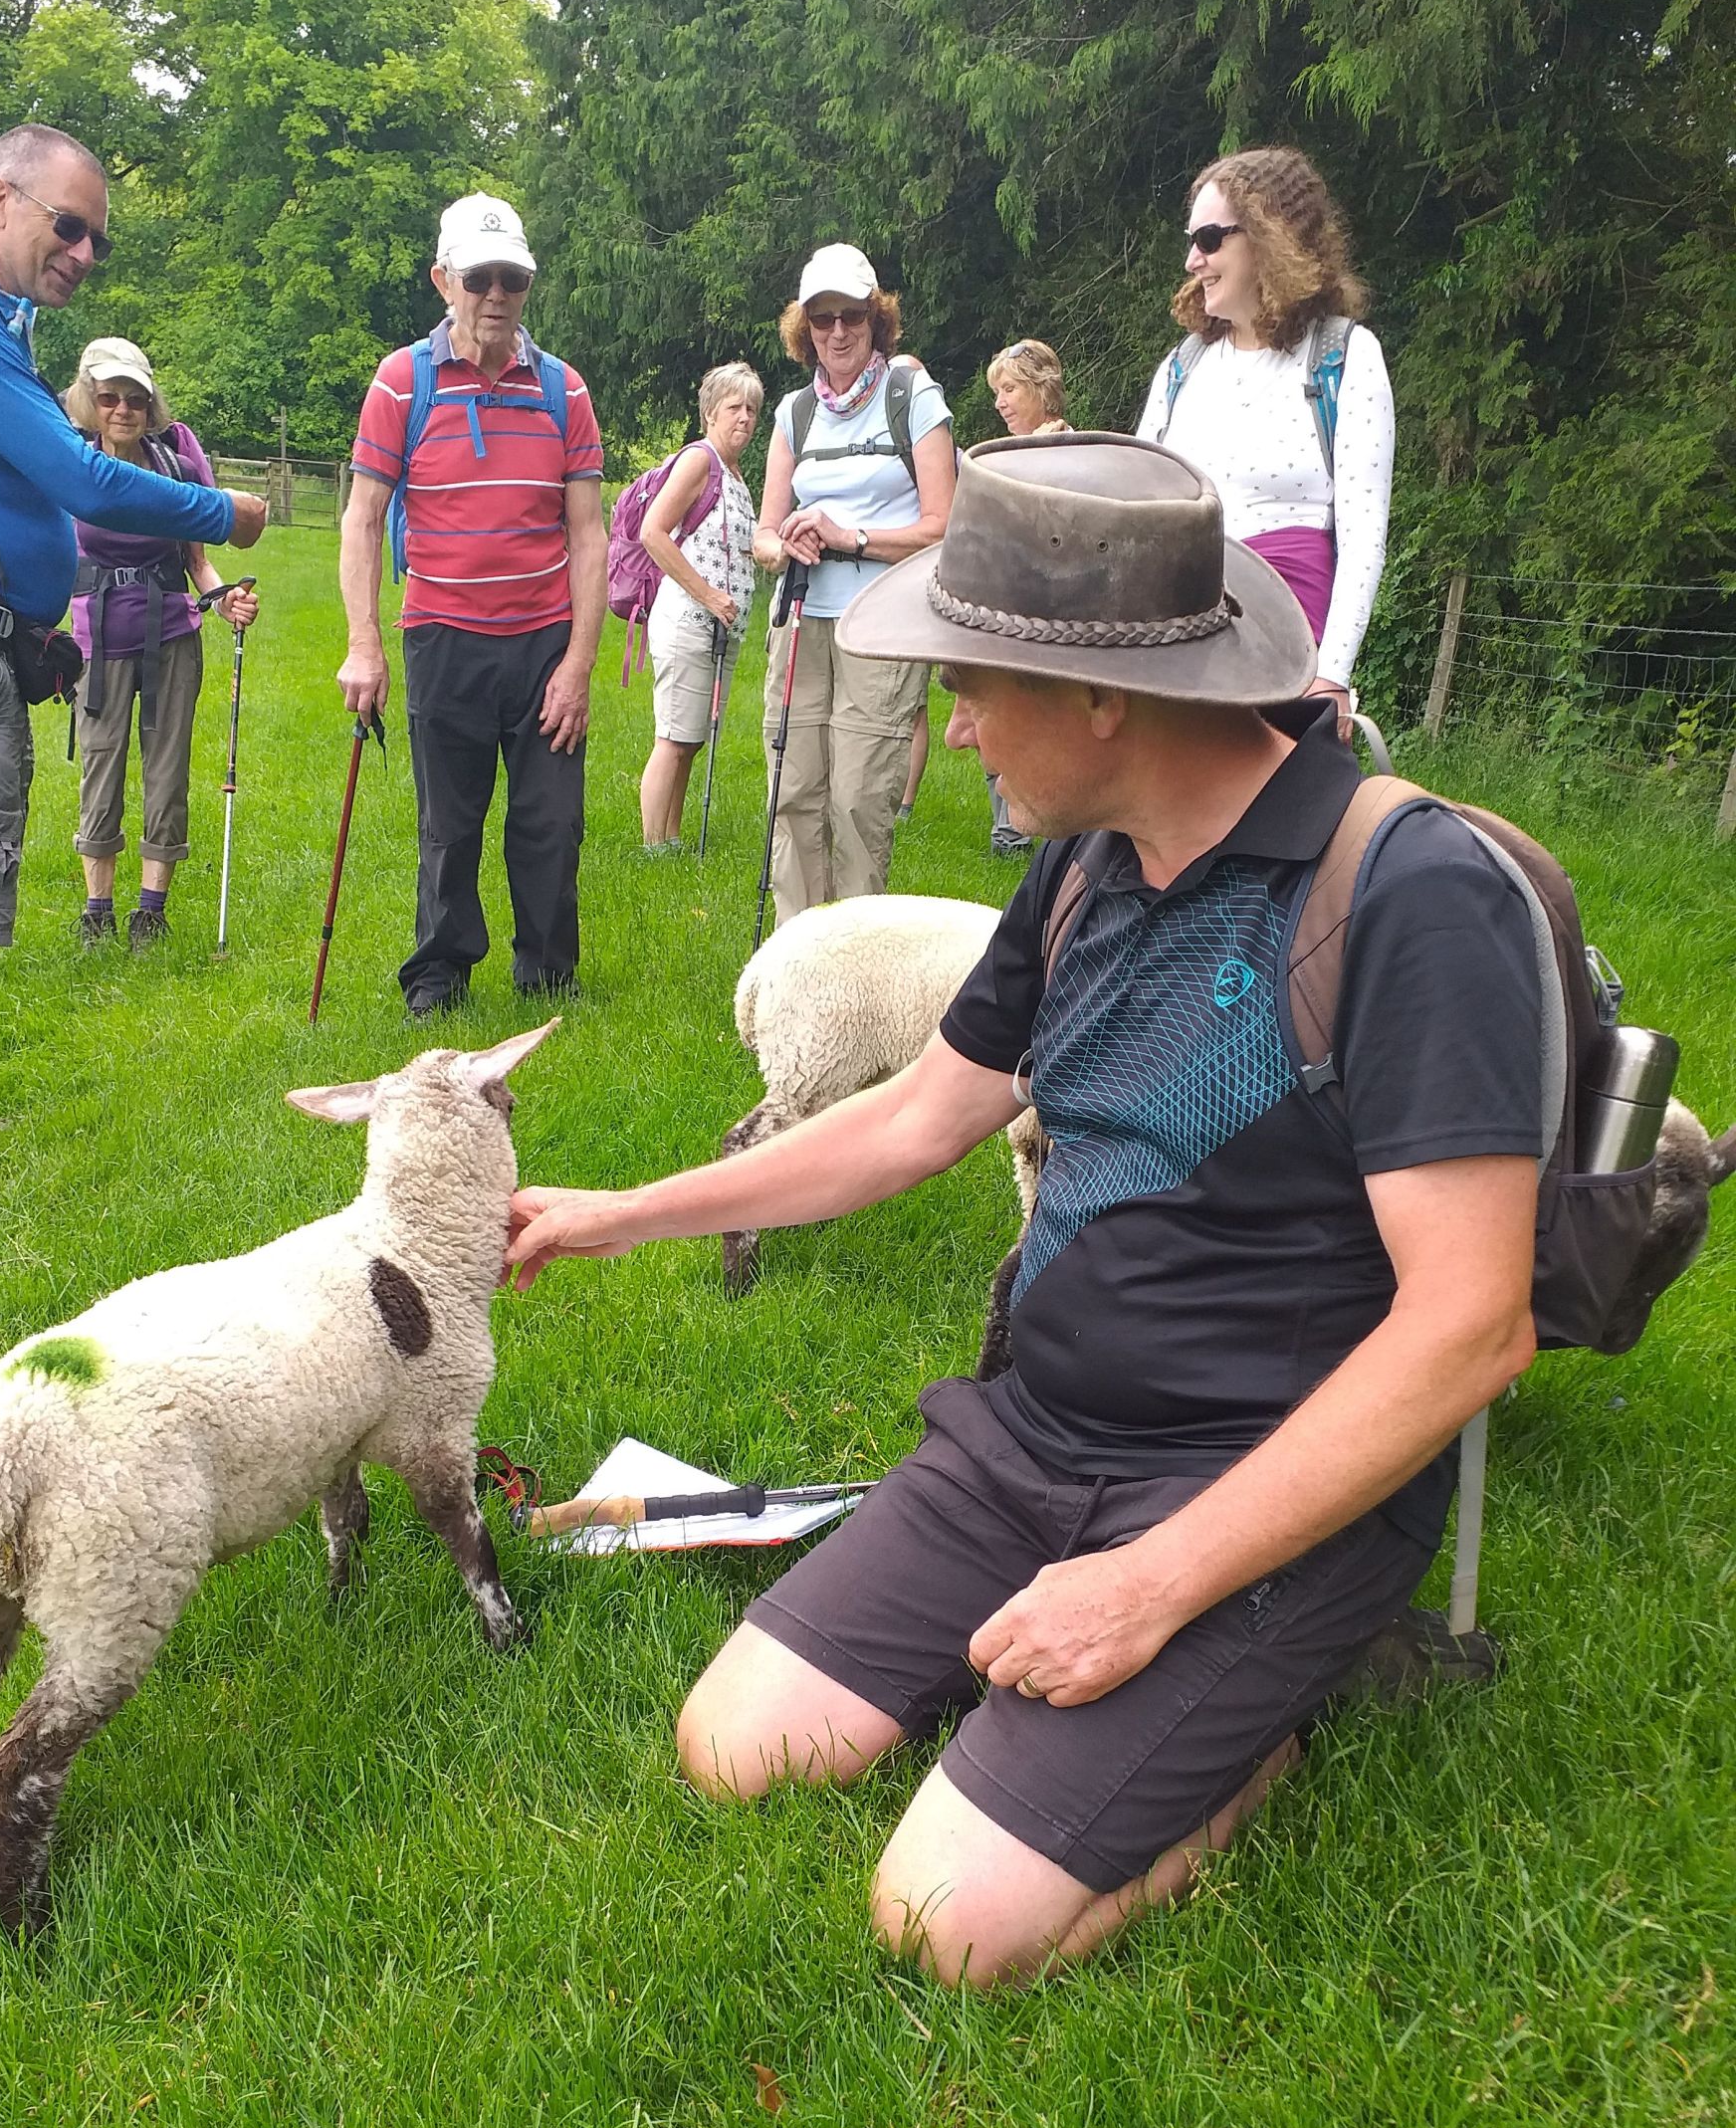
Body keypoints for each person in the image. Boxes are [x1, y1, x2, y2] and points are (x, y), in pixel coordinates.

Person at [506, 435, 1543, 1992]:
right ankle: (1081, 1689)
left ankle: (1263, 1710)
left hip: (1252, 1485)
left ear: (1107, 695)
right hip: (1032, 1435)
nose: (959, 727)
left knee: (948, 1928)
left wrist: (1152, 1587)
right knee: (738, 1748)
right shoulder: (1082, 869)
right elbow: (920, 1118)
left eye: (974, 685)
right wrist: (620, 1213)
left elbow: (1474, 1326)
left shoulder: (1405, 891)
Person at [0, 122, 265, 1202]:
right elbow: (79, 477)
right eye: (68, 226)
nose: (83, 252)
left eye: (98, 241)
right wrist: (225, 510)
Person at [339, 193, 605, 1013]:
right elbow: (361, 516)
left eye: (513, 279)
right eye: (481, 277)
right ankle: (438, 974)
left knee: (551, 826)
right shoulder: (401, 381)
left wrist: (578, 665)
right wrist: (364, 643)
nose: (498, 294)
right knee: (449, 825)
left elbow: (589, 537)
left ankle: (547, 976)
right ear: (444, 280)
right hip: (443, 635)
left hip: (542, 644)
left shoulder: (565, 390)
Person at [1138, 145, 1393, 725]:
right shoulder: (1183, 367)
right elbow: (1143, 510)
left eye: (1208, 239)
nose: (1192, 260)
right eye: (1191, 241)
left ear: (1268, 235)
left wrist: (1333, 675)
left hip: (1285, 665)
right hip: (1178, 654)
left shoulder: (1344, 358)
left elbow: (1363, 535)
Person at [753, 243, 955, 923]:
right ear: (803, 329)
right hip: (801, 617)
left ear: (877, 320)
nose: (837, 332)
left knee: (858, 801)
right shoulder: (794, 413)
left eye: (852, 317)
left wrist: (852, 537)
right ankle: (798, 961)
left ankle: (857, 970)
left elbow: (944, 527)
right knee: (795, 790)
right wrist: (783, 543)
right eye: (822, 318)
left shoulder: (912, 398)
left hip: (882, 622)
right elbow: (764, 530)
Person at [65, 337, 260, 947]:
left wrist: (224, 595)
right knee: (101, 762)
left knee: (167, 764)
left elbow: (198, 561)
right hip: (97, 636)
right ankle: (98, 909)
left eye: (135, 399)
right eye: (109, 397)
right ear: (89, 401)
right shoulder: (68, 459)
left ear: (151, 407)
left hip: (172, 629)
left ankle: (151, 909)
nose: (122, 408)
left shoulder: (174, 462)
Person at [638, 361, 762, 855]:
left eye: (752, 409)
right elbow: (653, 533)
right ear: (711, 412)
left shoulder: (734, 473)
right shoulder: (700, 460)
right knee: (673, 735)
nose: (745, 419)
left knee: (691, 739)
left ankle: (672, 838)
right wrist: (709, 596)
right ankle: (654, 847)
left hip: (719, 630)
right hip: (688, 622)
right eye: (735, 407)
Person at [984, 338, 1071, 852]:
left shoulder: (1066, 451)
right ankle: (1011, 827)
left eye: (1011, 388)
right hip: (1005, 604)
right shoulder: (1005, 455)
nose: (1000, 401)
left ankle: (1039, 828)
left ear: (1044, 391)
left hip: (1049, 610)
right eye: (998, 391)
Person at [987, 338, 1071, 441]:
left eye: (1009, 389)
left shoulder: (1084, 451)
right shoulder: (1002, 454)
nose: (998, 404)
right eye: (997, 393)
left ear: (1044, 389)